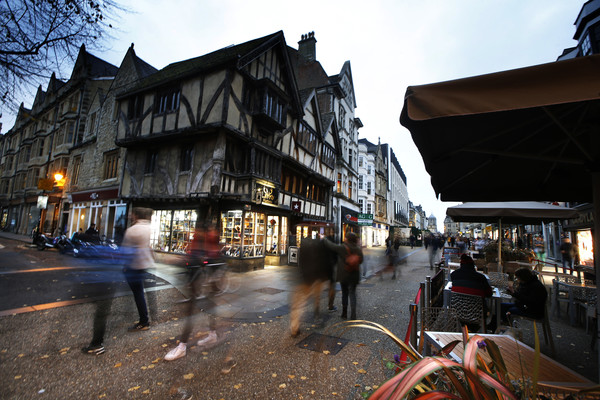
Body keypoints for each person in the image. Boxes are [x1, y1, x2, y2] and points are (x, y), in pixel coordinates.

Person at [165, 224, 235, 373]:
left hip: (200, 280)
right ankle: (212, 335)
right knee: (208, 307)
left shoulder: (208, 242)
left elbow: (207, 259)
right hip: (201, 280)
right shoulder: (207, 241)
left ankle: (183, 346)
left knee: (193, 311)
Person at [289, 237, 333, 337]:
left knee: (298, 304)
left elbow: (300, 264)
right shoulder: (321, 250)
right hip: (317, 279)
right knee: (316, 297)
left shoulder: (303, 250)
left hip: (305, 279)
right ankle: (317, 314)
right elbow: (325, 264)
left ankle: (294, 328)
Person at [122, 207, 154, 331]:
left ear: (136, 215)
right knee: (140, 291)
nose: (130, 216)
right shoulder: (148, 228)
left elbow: (126, 250)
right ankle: (146, 317)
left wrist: (125, 265)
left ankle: (144, 320)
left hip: (133, 265)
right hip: (144, 264)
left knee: (138, 292)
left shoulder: (132, 230)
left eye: (132, 214)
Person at [324, 232, 363, 320]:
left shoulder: (343, 247)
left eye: (345, 237)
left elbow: (332, 246)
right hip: (354, 275)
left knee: (344, 294)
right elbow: (361, 261)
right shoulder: (358, 249)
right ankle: (353, 314)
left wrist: (325, 239)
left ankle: (344, 313)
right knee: (352, 294)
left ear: (347, 239)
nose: (344, 239)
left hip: (344, 275)